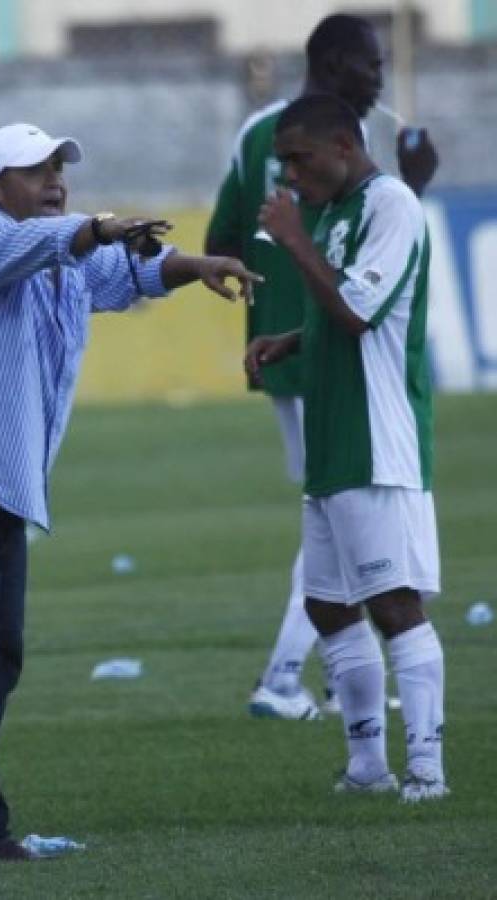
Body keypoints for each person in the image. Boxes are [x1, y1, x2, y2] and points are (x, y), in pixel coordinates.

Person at [0, 122, 260, 863]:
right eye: (35, 169)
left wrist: (195, 263)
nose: (54, 179)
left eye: (59, 167)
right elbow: (61, 246)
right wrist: (97, 227)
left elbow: (127, 276)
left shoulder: (59, 255)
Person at [205, 13, 439, 720]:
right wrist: (415, 185)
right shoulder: (315, 137)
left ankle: (339, 683)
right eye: (370, 65)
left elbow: (221, 244)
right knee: (342, 517)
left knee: (332, 516)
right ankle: (282, 677)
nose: (379, 78)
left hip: (301, 347)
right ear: (335, 64)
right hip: (336, 358)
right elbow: (371, 259)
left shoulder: (253, 135)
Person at [246, 93, 447, 801]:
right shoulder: (333, 213)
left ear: (340, 144)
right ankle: (367, 765)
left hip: (376, 442)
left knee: (393, 604)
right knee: (328, 606)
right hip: (332, 437)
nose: (289, 177)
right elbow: (339, 306)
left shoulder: (389, 205)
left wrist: (293, 237)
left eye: (297, 160)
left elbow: (361, 314)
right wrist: (290, 337)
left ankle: (425, 769)